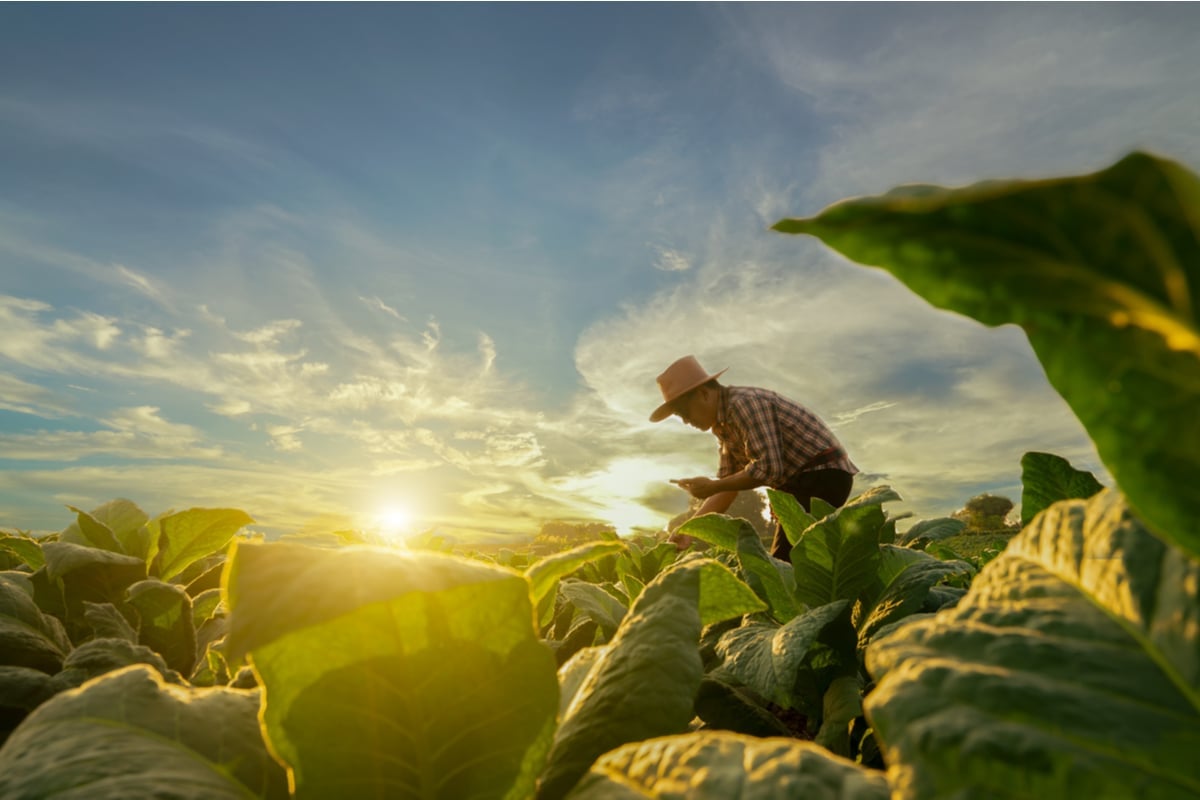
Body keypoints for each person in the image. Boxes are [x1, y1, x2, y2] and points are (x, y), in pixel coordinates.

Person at [650, 355, 858, 561]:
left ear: (704, 394)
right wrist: (690, 530)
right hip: (800, 484)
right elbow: (727, 487)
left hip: (822, 475)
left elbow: (768, 469)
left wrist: (713, 486)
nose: (687, 422)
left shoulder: (744, 404)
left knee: (785, 564)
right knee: (798, 562)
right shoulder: (724, 426)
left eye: (685, 413)